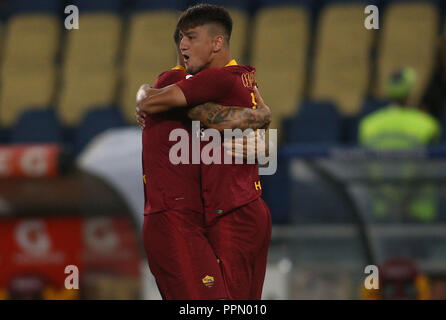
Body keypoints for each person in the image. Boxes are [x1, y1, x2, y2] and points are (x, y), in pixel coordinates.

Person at [138, 4, 272, 300]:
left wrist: (262, 125)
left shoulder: (217, 80)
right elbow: (157, 102)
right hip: (215, 211)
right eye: (182, 39)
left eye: (191, 37)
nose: (184, 45)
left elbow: (150, 101)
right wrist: (262, 116)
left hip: (226, 213)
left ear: (216, 43)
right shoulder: (241, 79)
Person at [359, 68, 441, 222]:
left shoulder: (368, 124)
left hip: (383, 207)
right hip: (418, 209)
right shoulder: (427, 124)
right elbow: (430, 166)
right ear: (411, 93)